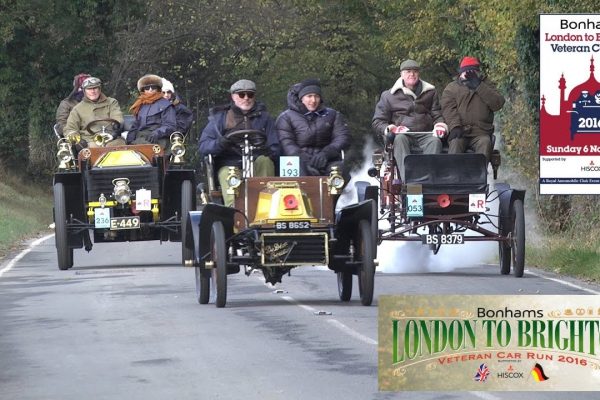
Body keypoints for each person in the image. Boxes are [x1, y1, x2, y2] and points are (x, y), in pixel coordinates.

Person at [198, 79, 279, 207]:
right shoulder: (220, 118)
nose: (246, 98)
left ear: (254, 97)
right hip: (230, 163)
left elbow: (275, 146)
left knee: (265, 161)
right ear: (233, 96)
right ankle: (234, 211)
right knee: (227, 173)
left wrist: (266, 150)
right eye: (241, 95)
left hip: (257, 160)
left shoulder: (265, 118)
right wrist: (221, 143)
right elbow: (204, 146)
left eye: (250, 94)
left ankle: (267, 206)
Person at [372, 59, 447, 181]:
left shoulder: (431, 92)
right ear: (401, 74)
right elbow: (378, 122)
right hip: (403, 135)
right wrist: (391, 128)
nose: (412, 74)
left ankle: (428, 182)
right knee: (400, 140)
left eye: (415, 71)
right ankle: (408, 182)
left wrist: (440, 125)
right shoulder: (388, 95)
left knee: (435, 141)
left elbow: (437, 114)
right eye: (408, 71)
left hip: (426, 134)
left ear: (419, 73)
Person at [275, 79, 350, 176]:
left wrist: (326, 153)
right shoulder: (285, 117)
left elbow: (342, 137)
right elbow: (287, 144)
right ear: (301, 98)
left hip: (327, 161)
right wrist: (307, 161)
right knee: (298, 170)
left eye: (316, 96)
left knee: (340, 170)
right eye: (309, 96)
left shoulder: (333, 115)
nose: (313, 100)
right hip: (297, 161)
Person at [441, 56, 505, 162]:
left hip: (481, 132)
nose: (469, 74)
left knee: (485, 143)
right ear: (461, 73)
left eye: (472, 71)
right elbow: (448, 109)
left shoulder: (487, 84)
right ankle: (453, 171)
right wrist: (455, 126)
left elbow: (498, 104)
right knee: (455, 145)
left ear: (477, 72)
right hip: (460, 131)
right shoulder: (452, 88)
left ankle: (480, 172)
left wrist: (479, 86)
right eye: (466, 72)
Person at [63, 77, 125, 148]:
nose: (92, 91)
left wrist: (116, 127)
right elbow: (70, 128)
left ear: (100, 89)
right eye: (89, 89)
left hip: (111, 137)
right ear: (84, 91)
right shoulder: (77, 109)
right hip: (90, 140)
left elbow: (117, 116)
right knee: (94, 149)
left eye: (95, 88)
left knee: (120, 145)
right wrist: (78, 140)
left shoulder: (111, 102)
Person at [126, 74, 176, 147]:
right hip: (140, 138)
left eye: (153, 87)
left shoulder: (166, 105)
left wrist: (157, 133)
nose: (150, 89)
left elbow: (170, 126)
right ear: (143, 90)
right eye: (147, 88)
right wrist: (129, 138)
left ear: (158, 88)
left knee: (142, 148)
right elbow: (136, 125)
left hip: (158, 139)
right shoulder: (140, 104)